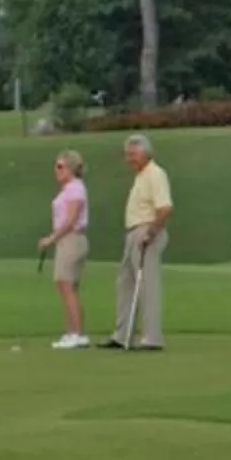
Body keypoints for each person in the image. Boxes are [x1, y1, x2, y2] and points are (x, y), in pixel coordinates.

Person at [104, 133, 172, 352]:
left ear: (145, 153)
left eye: (133, 154)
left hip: (147, 232)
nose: (129, 159)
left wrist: (150, 233)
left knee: (147, 285)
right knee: (125, 283)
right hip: (134, 232)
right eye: (127, 155)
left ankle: (152, 337)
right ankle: (123, 335)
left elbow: (165, 208)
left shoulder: (155, 174)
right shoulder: (141, 176)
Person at [37, 148, 92, 348]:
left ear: (71, 168)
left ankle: (76, 334)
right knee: (69, 288)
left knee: (66, 285)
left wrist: (51, 239)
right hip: (68, 240)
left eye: (60, 166)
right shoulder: (69, 189)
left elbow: (70, 220)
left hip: (71, 239)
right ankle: (74, 332)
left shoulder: (75, 189)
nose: (56, 170)